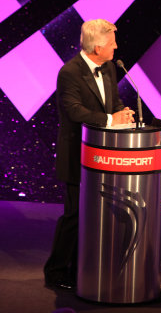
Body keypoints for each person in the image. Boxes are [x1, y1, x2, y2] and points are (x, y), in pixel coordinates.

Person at [44, 19, 135, 291]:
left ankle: (79, 269)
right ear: (97, 47)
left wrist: (123, 113)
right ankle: (56, 271)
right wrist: (110, 119)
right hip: (77, 155)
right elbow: (74, 111)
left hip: (103, 155)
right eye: (111, 43)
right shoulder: (69, 72)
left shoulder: (107, 68)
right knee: (74, 215)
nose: (116, 47)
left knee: (94, 215)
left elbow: (113, 101)